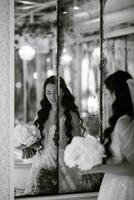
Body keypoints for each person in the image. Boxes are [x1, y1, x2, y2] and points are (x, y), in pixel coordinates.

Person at [24, 75, 94, 195]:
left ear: (63, 91)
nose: (52, 97)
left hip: (62, 163)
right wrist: (29, 146)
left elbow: (78, 144)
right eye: (48, 93)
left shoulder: (71, 114)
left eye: (55, 92)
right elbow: (41, 142)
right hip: (41, 161)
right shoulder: (41, 115)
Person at [80, 70, 134, 200]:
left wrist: (97, 168)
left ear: (115, 94)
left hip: (124, 187)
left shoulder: (124, 123)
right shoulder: (118, 121)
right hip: (111, 184)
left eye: (105, 92)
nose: (102, 97)